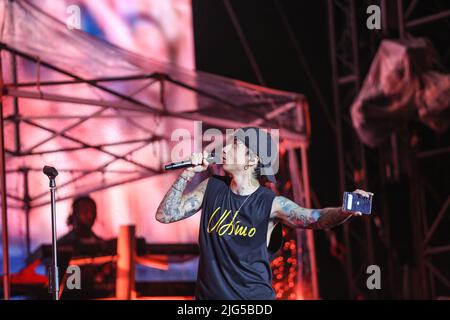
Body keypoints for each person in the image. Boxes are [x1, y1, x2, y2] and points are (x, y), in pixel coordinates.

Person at [155, 127, 372, 300]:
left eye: (236, 145)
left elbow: (315, 218)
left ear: (252, 160)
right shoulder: (211, 188)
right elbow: (165, 215)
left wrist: (345, 210)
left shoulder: (271, 204)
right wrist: (188, 173)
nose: (225, 148)